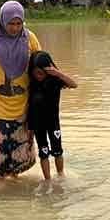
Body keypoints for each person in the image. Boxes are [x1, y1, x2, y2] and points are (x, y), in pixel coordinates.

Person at [0, 0, 42, 179]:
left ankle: (14, 180)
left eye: (18, 23)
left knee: (20, 147)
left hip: (23, 103)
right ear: (2, 20)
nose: (15, 28)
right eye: (11, 24)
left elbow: (39, 64)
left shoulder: (29, 38)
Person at [27, 51, 78, 180]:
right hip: (38, 125)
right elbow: (30, 108)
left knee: (58, 151)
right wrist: (30, 131)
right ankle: (47, 180)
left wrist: (58, 73)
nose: (39, 76)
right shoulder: (31, 84)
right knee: (43, 152)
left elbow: (74, 85)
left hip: (53, 123)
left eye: (42, 73)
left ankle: (61, 175)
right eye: (36, 73)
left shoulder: (55, 81)